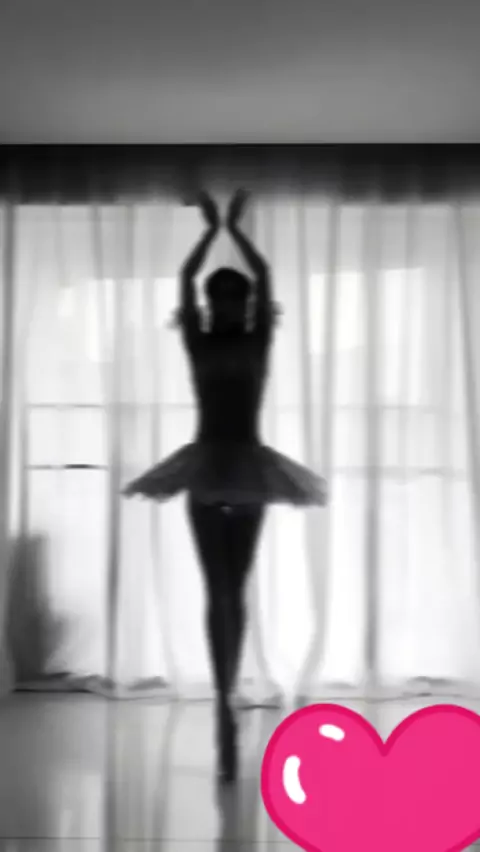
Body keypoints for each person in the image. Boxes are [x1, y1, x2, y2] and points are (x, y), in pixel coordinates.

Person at [123, 190, 327, 784]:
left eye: (237, 299)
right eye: (223, 299)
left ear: (246, 305)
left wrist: (234, 229)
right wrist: (209, 230)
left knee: (234, 589)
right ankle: (220, 702)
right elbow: (185, 281)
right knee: (217, 589)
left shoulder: (258, 337)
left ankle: (227, 696)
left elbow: (263, 276)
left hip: (249, 466)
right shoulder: (199, 339)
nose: (232, 305)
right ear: (214, 305)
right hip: (209, 465)